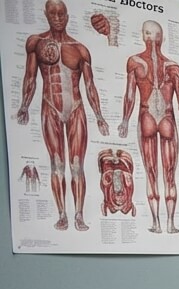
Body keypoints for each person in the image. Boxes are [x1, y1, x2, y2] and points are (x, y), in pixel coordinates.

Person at [15, 0, 109, 231]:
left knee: (77, 165)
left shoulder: (80, 49)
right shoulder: (36, 43)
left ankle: (78, 215)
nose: (57, 17)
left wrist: (99, 115)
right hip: (50, 106)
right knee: (57, 164)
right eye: (53, 13)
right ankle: (62, 214)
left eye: (61, 13)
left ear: (67, 16)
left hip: (76, 107)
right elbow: (30, 78)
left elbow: (90, 86)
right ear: (46, 14)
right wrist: (24, 105)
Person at [118, 19, 179, 234]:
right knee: (168, 173)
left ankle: (158, 223)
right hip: (166, 118)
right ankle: (169, 224)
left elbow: (129, 95)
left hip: (147, 116)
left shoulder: (135, 63)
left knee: (152, 172)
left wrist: (125, 120)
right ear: (161, 38)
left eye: (149, 34)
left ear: (146, 37)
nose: (150, 39)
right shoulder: (172, 68)